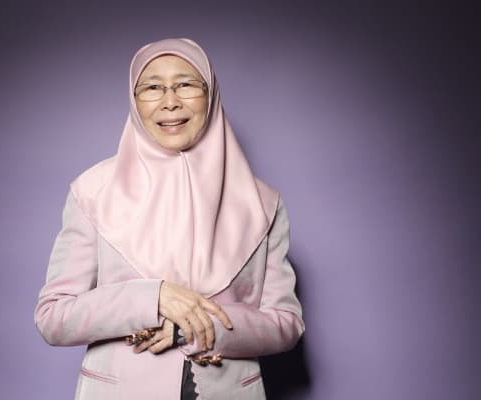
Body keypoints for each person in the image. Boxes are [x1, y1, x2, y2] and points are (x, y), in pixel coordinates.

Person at [34, 38, 305, 400]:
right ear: (134, 100)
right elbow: (53, 318)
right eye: (152, 88)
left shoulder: (263, 202)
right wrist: (153, 298)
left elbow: (286, 324)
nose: (170, 101)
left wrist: (199, 327)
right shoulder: (92, 192)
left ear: (211, 95)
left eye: (186, 84)